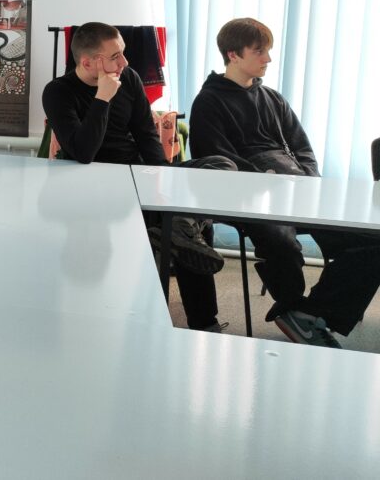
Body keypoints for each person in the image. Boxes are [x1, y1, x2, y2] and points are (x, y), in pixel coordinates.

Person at [190, 17, 380, 348]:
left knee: (370, 240)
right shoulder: (208, 102)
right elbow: (215, 157)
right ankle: (295, 310)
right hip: (248, 196)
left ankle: (309, 313)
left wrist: (309, 183)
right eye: (259, 51)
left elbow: (303, 149)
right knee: (281, 243)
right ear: (233, 55)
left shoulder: (272, 98)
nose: (268, 59)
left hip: (297, 189)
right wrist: (269, 183)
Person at [42, 22, 235, 332]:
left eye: (123, 53)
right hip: (98, 186)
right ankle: (204, 322)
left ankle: (180, 226)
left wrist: (162, 183)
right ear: (88, 62)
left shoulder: (129, 77)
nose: (125, 62)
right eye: (115, 56)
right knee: (189, 224)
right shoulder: (58, 92)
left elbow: (146, 134)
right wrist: (102, 98)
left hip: (141, 175)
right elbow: (83, 152)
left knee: (221, 166)